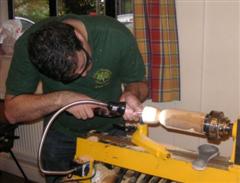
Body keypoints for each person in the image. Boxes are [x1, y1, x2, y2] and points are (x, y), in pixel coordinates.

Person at [4, 14, 148, 182]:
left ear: (79, 37)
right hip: (61, 133)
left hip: (111, 131)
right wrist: (63, 99)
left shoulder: (115, 36)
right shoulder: (28, 47)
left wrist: (132, 93)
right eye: (70, 78)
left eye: (84, 64)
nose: (84, 74)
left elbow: (139, 83)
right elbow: (12, 112)